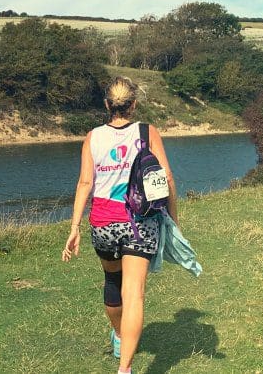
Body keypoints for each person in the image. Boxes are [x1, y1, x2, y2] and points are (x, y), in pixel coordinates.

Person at [62, 76, 179, 374]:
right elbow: (166, 178)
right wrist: (174, 221)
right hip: (140, 221)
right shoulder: (147, 131)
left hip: (103, 222)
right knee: (134, 293)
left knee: (113, 282)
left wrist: (74, 226)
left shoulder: (93, 137)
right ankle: (124, 369)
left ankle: (118, 335)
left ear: (106, 105)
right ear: (134, 104)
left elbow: (85, 182)